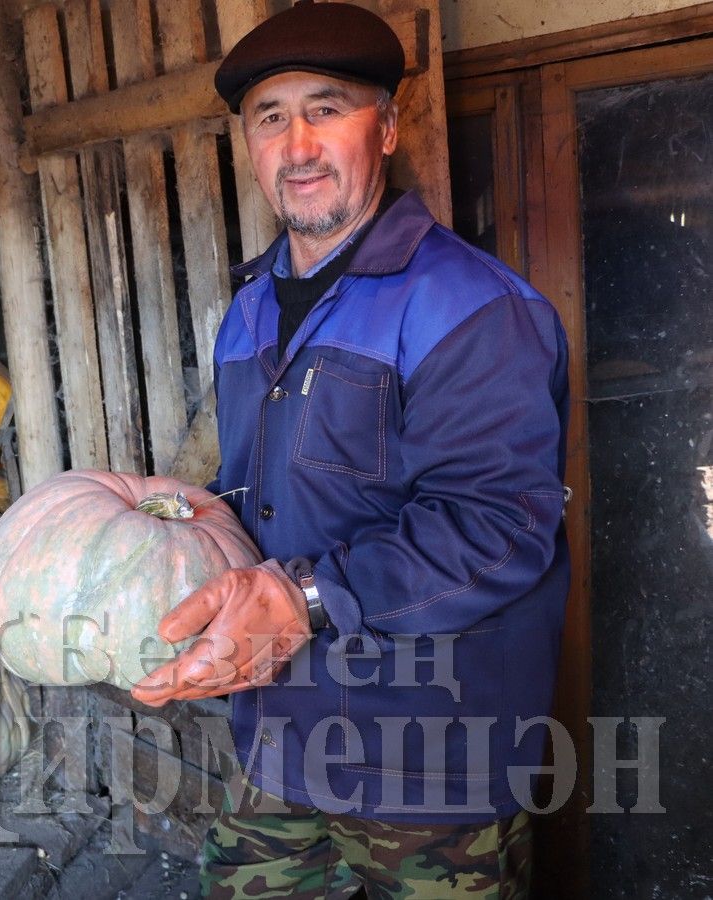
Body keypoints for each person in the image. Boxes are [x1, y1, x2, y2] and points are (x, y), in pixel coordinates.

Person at [129, 2, 570, 897]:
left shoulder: (468, 306)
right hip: (284, 732)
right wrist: (184, 537)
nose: (297, 146)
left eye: (325, 109)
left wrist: (299, 598)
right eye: (270, 118)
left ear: (388, 126)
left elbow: (496, 526)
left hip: (432, 752)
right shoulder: (250, 311)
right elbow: (268, 492)